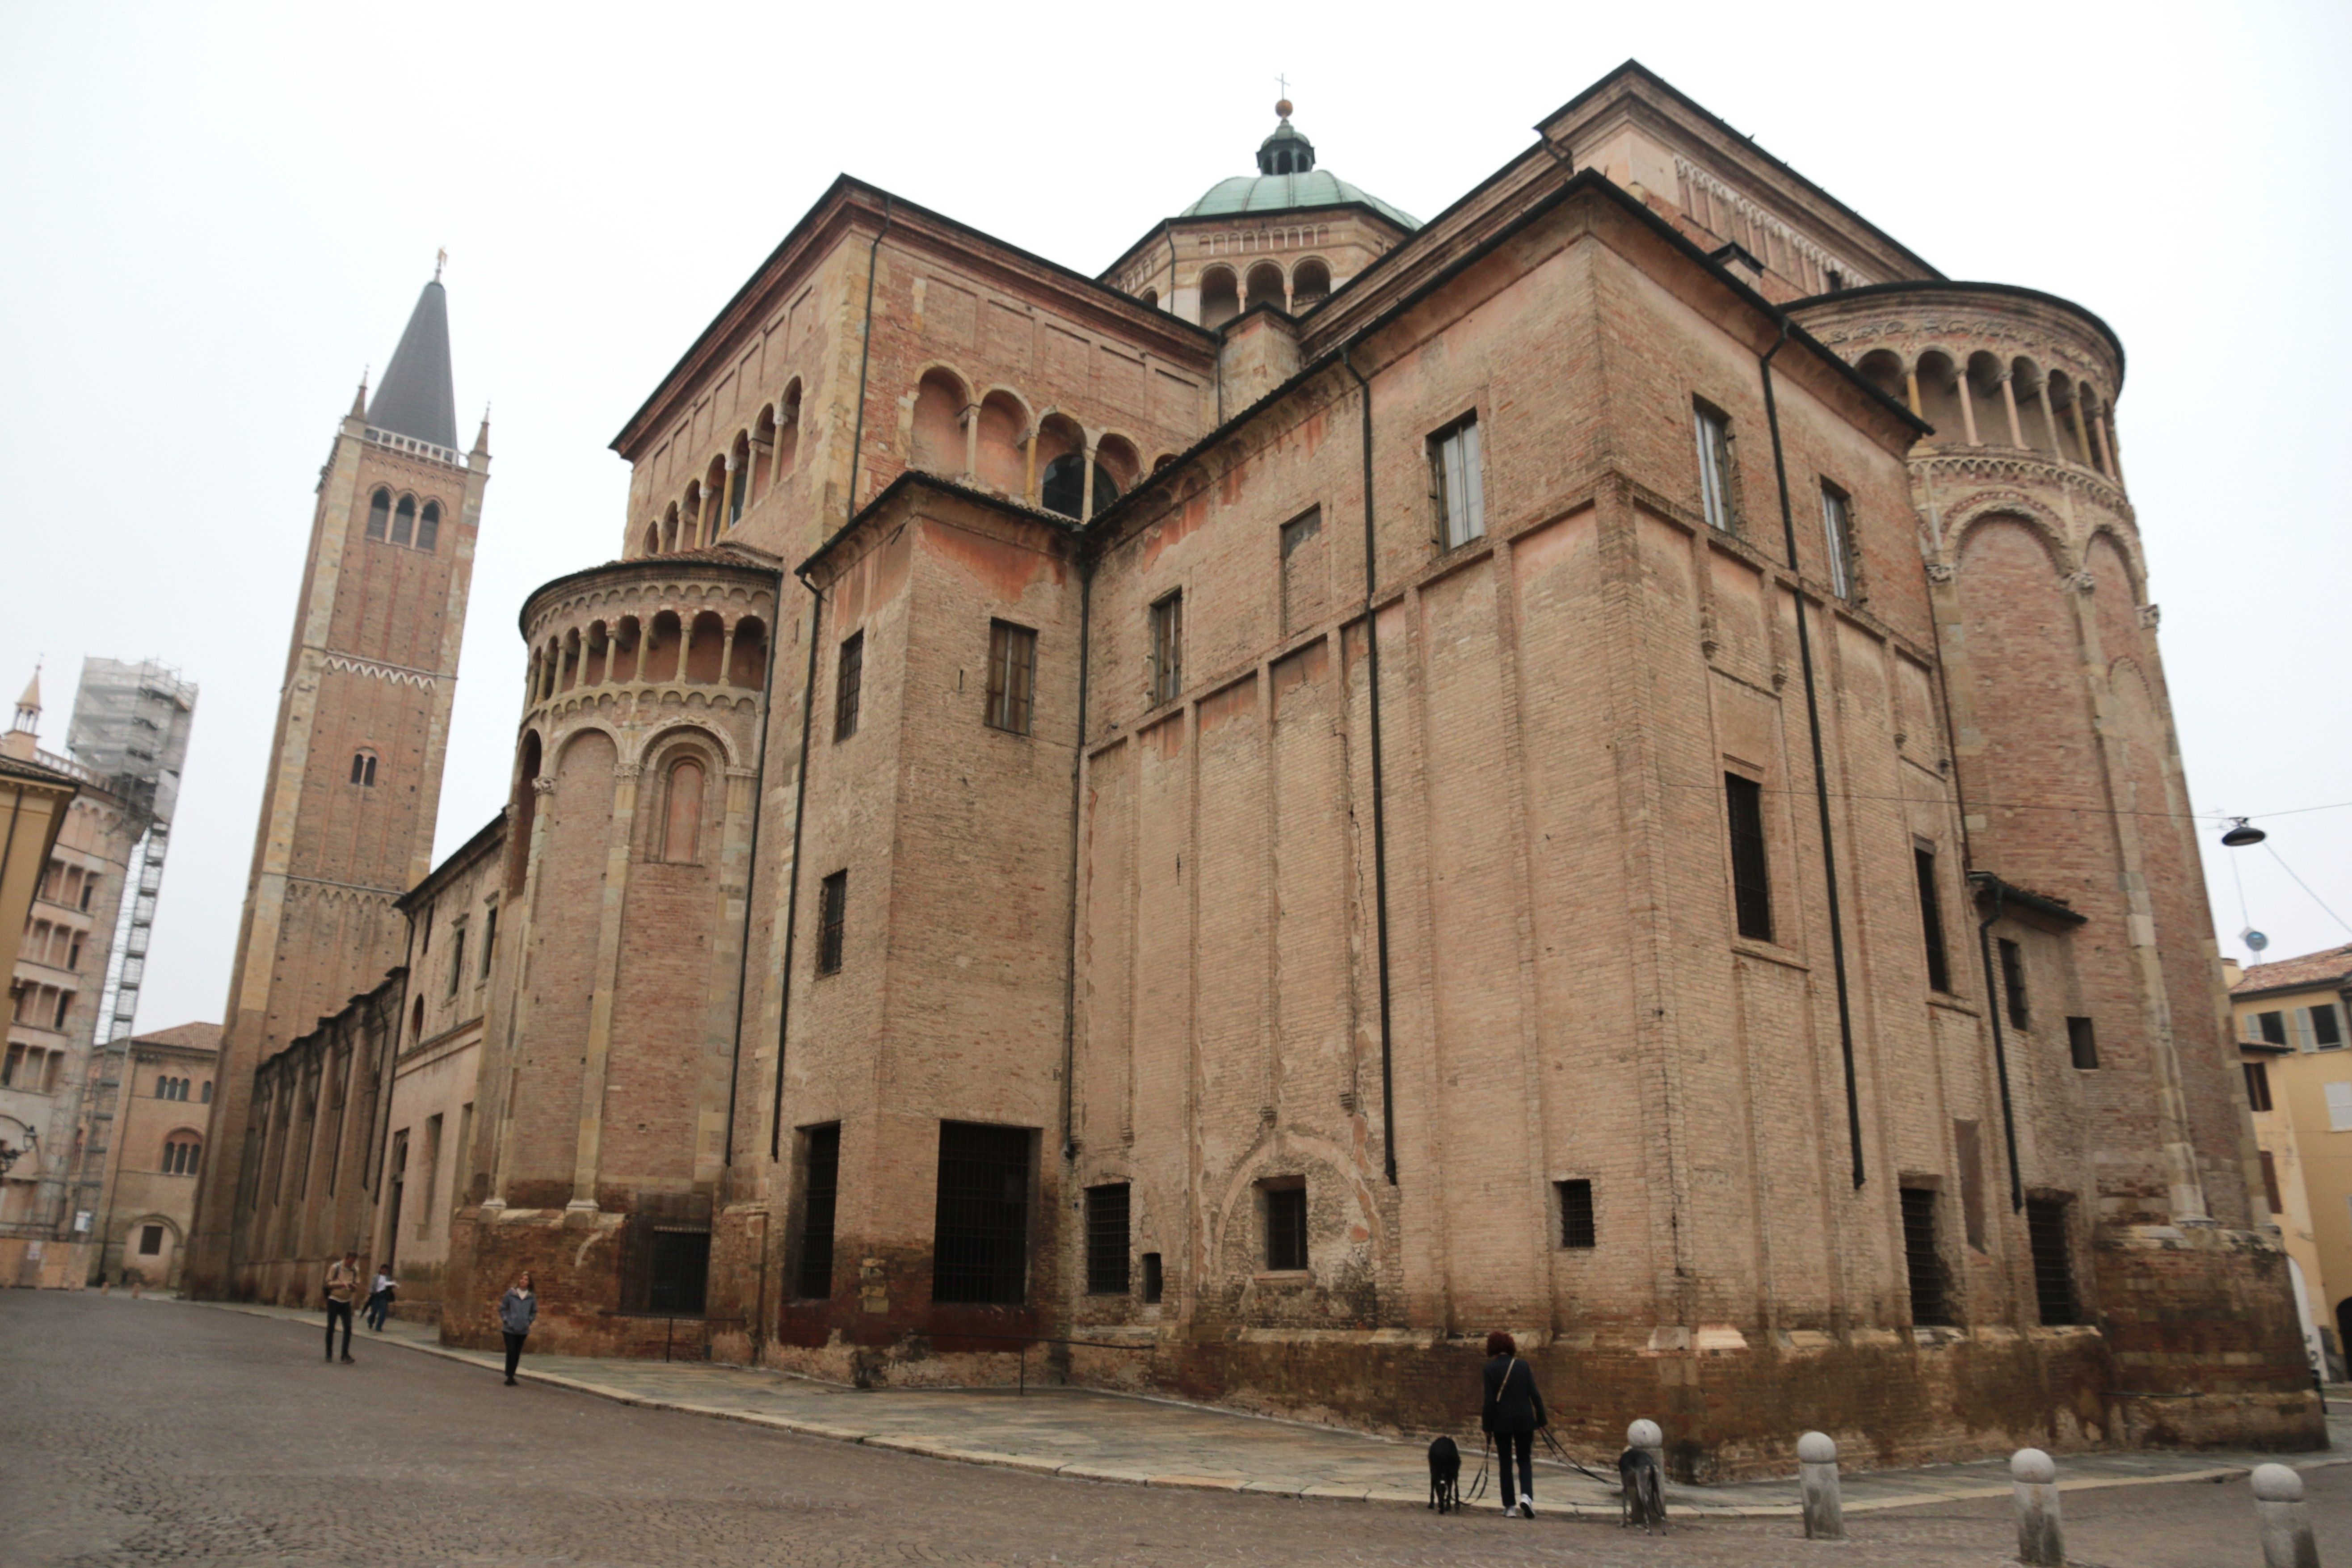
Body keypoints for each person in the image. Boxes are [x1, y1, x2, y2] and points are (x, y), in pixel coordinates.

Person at [1480, 1330, 1546, 1518]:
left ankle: (1509, 1507)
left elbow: (1489, 1401)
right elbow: (1535, 1395)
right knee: (1524, 1460)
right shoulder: (1523, 1366)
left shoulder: (1490, 1370)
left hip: (1502, 1422)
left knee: (1505, 1462)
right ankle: (1527, 1497)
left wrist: (1487, 1427)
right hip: (1525, 1419)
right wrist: (1541, 1421)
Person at [497, 1271, 537, 1386]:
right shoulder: (511, 1294)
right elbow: (503, 1308)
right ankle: (509, 1376)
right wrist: (507, 1320)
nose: (523, 1281)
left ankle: (512, 1375)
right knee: (511, 1351)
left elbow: (534, 1311)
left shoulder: (531, 1297)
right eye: (522, 1279)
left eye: (526, 1279)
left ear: (529, 1283)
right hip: (509, 1329)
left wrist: (528, 1321)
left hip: (523, 1330)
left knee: (517, 1353)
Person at [323, 1250, 361, 1363]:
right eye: (350, 1262)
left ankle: (345, 1354)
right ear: (346, 1259)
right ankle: (329, 1354)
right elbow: (328, 1283)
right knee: (331, 1327)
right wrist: (341, 1285)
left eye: (353, 1262)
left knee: (348, 1328)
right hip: (334, 1300)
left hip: (346, 1301)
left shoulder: (355, 1270)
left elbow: (357, 1283)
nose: (351, 1264)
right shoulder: (336, 1267)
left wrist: (353, 1287)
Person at [365, 1265, 396, 1332]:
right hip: (376, 1295)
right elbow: (372, 1286)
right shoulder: (376, 1277)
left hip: (384, 1296)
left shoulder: (388, 1278)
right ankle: (370, 1321)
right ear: (381, 1270)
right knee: (374, 1311)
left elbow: (389, 1286)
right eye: (384, 1270)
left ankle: (379, 1327)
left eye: (386, 1270)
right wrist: (372, 1293)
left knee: (383, 1312)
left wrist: (392, 1286)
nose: (385, 1272)